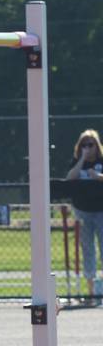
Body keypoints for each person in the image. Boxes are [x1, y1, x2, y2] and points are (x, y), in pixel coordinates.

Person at [66, 129, 103, 303]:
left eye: (91, 144)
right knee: (88, 252)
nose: (88, 148)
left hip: (101, 212)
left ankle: (100, 291)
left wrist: (98, 177)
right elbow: (69, 178)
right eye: (84, 145)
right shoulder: (76, 162)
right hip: (83, 212)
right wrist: (81, 159)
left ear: (97, 145)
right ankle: (90, 294)